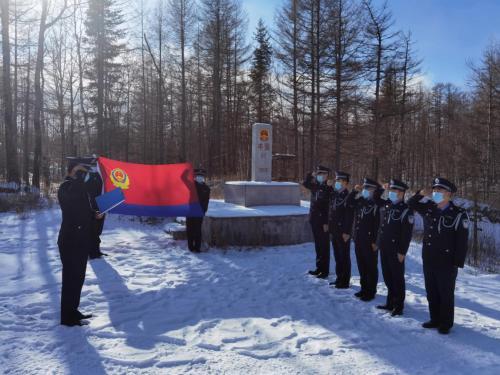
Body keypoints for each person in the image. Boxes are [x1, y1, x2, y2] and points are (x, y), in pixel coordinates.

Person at [408, 177, 469, 334]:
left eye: (439, 190)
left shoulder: (458, 213)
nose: (435, 193)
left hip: (447, 261)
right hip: (429, 257)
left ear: (449, 194)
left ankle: (446, 323)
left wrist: (457, 263)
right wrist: (421, 194)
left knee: (445, 293)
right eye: (434, 190)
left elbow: (462, 241)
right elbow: (411, 204)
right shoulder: (429, 208)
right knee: (431, 291)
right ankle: (434, 319)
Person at [57, 159, 103, 326]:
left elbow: (82, 210)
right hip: (69, 241)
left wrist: (95, 215)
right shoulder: (65, 188)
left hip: (81, 240)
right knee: (70, 279)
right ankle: (67, 317)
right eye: (80, 172)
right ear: (72, 171)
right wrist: (77, 173)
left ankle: (73, 311)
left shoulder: (79, 189)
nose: (83, 175)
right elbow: (71, 207)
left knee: (79, 278)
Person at [375, 179, 414, 316]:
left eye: (394, 190)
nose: (391, 193)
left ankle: (398, 306)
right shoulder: (388, 205)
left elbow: (406, 234)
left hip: (396, 249)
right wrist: (381, 188)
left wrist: (402, 251)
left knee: (397, 278)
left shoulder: (406, 210)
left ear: (402, 193)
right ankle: (390, 302)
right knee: (387, 277)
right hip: (384, 247)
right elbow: (375, 197)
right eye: (390, 190)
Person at [348, 178, 383, 301]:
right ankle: (364, 289)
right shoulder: (361, 201)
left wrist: (376, 242)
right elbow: (349, 202)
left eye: (368, 188)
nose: (365, 190)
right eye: (364, 188)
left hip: (370, 241)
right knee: (361, 265)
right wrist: (353, 191)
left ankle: (371, 291)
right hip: (359, 238)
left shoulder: (377, 204)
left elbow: (379, 225)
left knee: (371, 267)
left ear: (375, 190)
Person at [303, 165, 331, 279]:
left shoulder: (328, 188)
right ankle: (319, 268)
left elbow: (328, 208)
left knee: (324, 246)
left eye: (322, 174)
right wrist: (311, 175)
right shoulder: (315, 186)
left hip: (323, 222)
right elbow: (305, 183)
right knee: (318, 246)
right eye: (318, 174)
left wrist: (326, 222)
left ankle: (325, 270)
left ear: (326, 175)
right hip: (314, 220)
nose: (320, 176)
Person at [328, 171, 354, 289]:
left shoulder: (348, 196)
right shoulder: (335, 194)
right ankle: (339, 278)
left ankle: (345, 281)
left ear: (345, 183)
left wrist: (347, 232)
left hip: (343, 232)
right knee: (337, 256)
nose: (337, 182)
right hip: (334, 230)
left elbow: (349, 216)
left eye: (339, 181)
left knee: (344, 256)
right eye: (337, 180)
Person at [84, 157, 107, 259]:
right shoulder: (87, 175)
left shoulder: (101, 175)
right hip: (91, 206)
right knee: (92, 230)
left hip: (102, 204)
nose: (95, 166)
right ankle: (92, 252)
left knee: (98, 230)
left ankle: (96, 250)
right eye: (94, 164)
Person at [186, 168, 211, 252]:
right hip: (190, 211)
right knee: (190, 229)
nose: (199, 177)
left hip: (199, 212)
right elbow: (182, 178)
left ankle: (197, 247)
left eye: (201, 176)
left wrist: (204, 211)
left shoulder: (206, 188)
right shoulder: (191, 185)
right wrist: (187, 171)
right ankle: (190, 247)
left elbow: (206, 202)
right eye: (198, 176)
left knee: (197, 230)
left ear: (203, 177)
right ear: (195, 177)